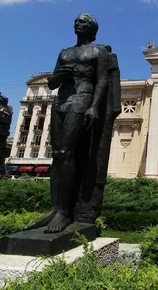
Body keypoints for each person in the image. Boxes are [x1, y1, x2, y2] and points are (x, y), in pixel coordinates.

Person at [26, 13, 120, 233]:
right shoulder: (65, 52)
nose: (78, 24)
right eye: (76, 21)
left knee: (68, 152)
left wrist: (94, 106)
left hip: (83, 99)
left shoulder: (99, 52)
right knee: (57, 153)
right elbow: (52, 83)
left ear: (92, 28)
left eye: (83, 22)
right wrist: (59, 74)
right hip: (62, 101)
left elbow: (103, 80)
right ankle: (55, 208)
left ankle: (64, 213)